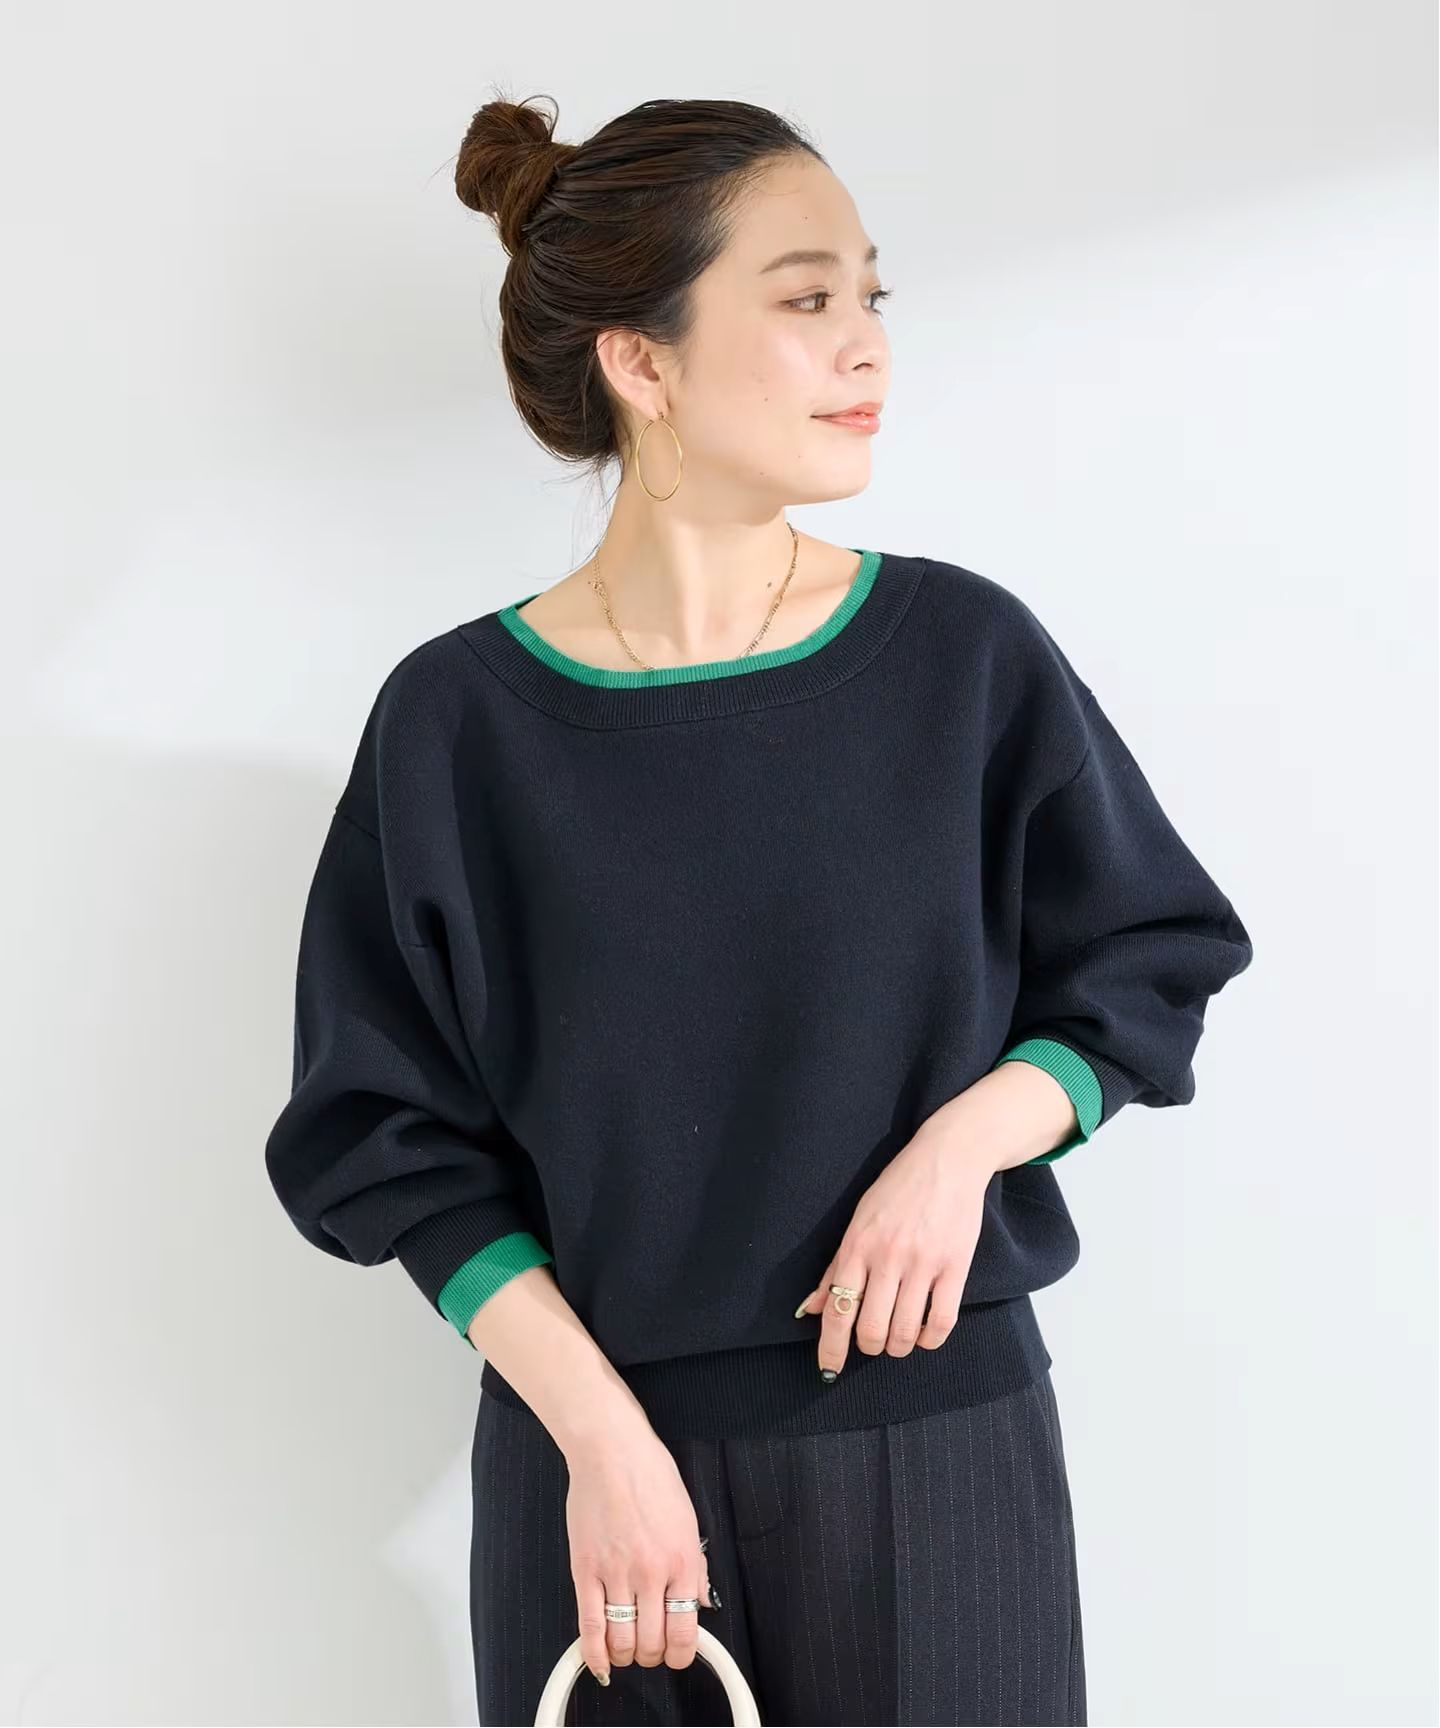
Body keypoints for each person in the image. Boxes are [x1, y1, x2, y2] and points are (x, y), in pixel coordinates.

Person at [264, 90, 1255, 1727]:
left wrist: (963, 1149)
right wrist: (601, 1443)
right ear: (640, 364)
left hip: (936, 1453)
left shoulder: (961, 661)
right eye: (805, 300)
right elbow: (382, 1136)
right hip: (597, 1485)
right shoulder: (458, 726)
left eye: (873, 296)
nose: (867, 347)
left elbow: (1149, 955)